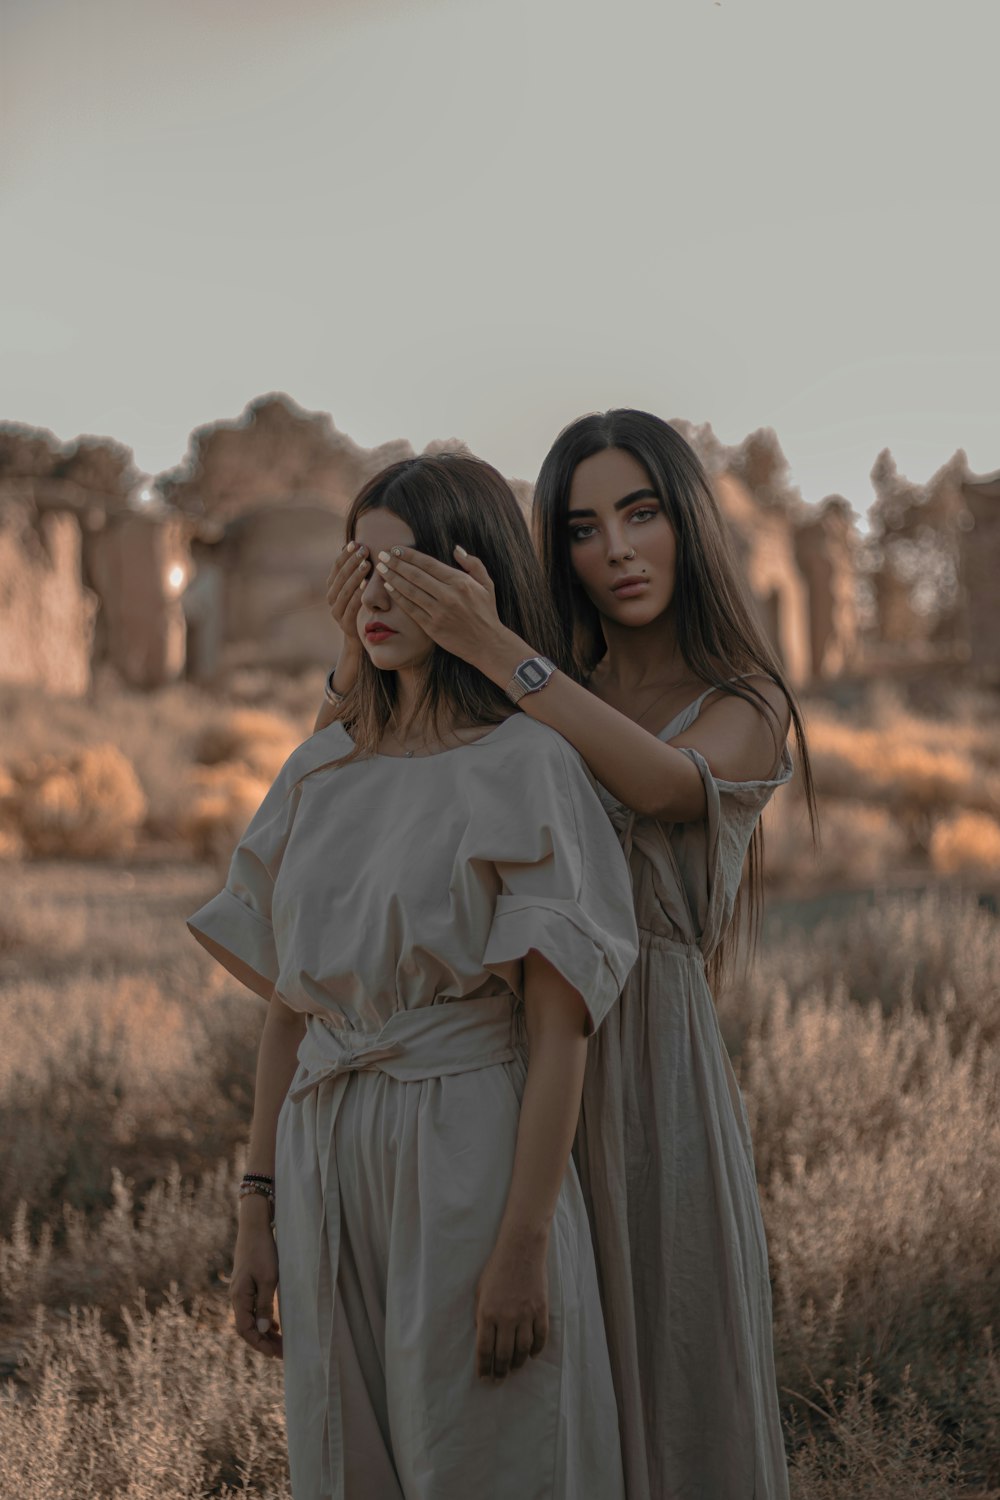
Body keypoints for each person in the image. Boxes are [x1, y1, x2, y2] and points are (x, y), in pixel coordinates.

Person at [318, 411, 816, 1500]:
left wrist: (496, 647)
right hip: (504, 1077)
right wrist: (359, 645)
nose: (616, 551)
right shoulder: (541, 686)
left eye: (640, 514)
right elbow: (390, 774)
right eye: (582, 528)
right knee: (521, 1410)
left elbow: (657, 784)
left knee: (672, 1374)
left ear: (686, 522)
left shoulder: (744, 701)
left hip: (647, 1070)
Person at [188, 452, 639, 1500]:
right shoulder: (320, 767)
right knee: (349, 1461)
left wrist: (523, 1245)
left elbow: (559, 1027)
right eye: (360, 568)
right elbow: (293, 1010)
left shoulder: (527, 764)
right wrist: (255, 1210)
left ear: (475, 585)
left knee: (488, 1452)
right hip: (323, 1154)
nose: (376, 596)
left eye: (410, 570)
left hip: (467, 1151)